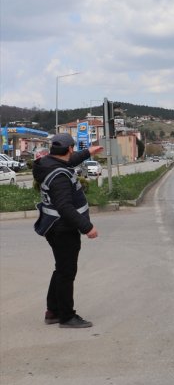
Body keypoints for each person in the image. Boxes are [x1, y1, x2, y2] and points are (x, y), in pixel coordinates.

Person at [32, 133, 103, 328]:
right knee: (66, 272)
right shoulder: (59, 175)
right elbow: (64, 206)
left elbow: (71, 159)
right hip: (62, 229)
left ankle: (52, 311)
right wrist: (87, 227)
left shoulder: (49, 162)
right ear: (69, 149)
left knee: (61, 269)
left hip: (54, 225)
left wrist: (89, 151)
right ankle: (66, 316)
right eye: (73, 149)